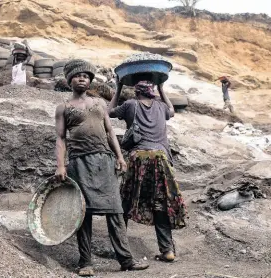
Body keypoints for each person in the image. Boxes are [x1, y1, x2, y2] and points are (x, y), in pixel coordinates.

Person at [54, 59, 149, 276]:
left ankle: (126, 260)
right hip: (79, 163)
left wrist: (120, 157)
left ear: (90, 81)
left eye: (86, 76)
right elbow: (60, 139)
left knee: (115, 210)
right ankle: (85, 263)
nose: (82, 79)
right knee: (83, 213)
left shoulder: (99, 104)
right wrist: (61, 165)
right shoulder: (64, 108)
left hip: (104, 162)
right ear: (70, 80)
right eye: (78, 76)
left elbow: (109, 132)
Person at [108, 78, 186, 263]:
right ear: (152, 91)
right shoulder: (161, 106)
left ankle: (120, 249)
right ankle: (167, 250)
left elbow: (108, 112)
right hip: (161, 158)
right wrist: (162, 88)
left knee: (125, 202)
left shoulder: (130, 104)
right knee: (160, 203)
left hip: (138, 157)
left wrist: (117, 88)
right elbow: (172, 111)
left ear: (136, 92)